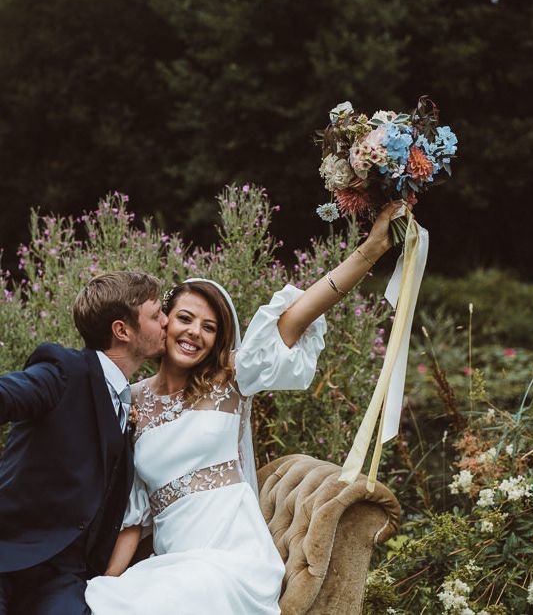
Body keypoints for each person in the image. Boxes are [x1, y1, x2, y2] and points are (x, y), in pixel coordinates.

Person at [84, 204, 397, 614]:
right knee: (98, 600)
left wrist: (371, 250)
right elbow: (134, 516)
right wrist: (108, 583)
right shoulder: (133, 401)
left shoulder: (231, 379)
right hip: (173, 564)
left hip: (233, 562)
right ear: (163, 325)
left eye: (209, 327)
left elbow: (302, 312)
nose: (195, 332)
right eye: (184, 318)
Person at [0, 271, 167, 615]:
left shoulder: (131, 404)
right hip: (7, 550)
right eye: (156, 315)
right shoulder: (64, 372)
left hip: (63, 576)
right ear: (122, 330)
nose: (167, 321)